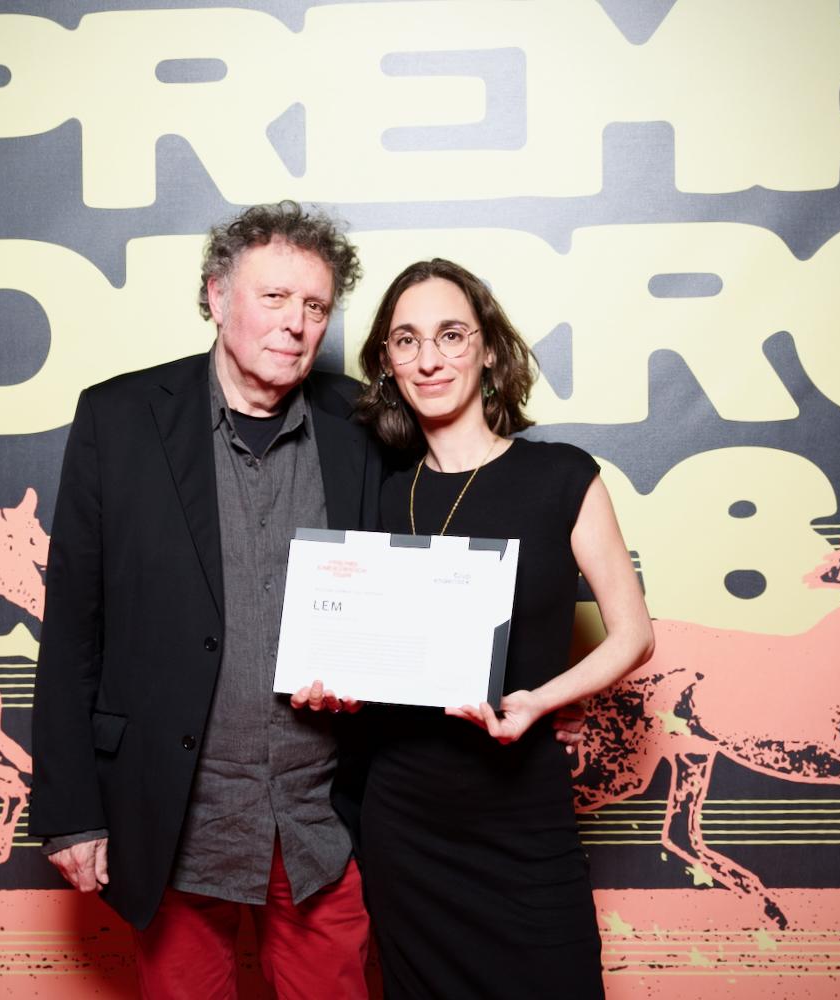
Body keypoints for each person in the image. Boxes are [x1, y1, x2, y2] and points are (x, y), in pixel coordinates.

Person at [29, 202, 381, 999]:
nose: (296, 324)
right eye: (274, 297)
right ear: (217, 297)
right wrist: (71, 811)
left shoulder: (361, 423)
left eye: (315, 305)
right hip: (176, 817)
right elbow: (74, 629)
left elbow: (406, 584)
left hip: (319, 821)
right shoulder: (119, 420)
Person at [344, 258, 654, 998]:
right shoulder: (379, 494)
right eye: (407, 340)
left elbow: (633, 635)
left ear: (488, 350)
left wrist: (541, 702)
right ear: (387, 363)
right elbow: (367, 654)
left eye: (451, 335)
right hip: (405, 826)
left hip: (522, 814)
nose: (429, 358)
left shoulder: (562, 476)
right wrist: (337, 687)